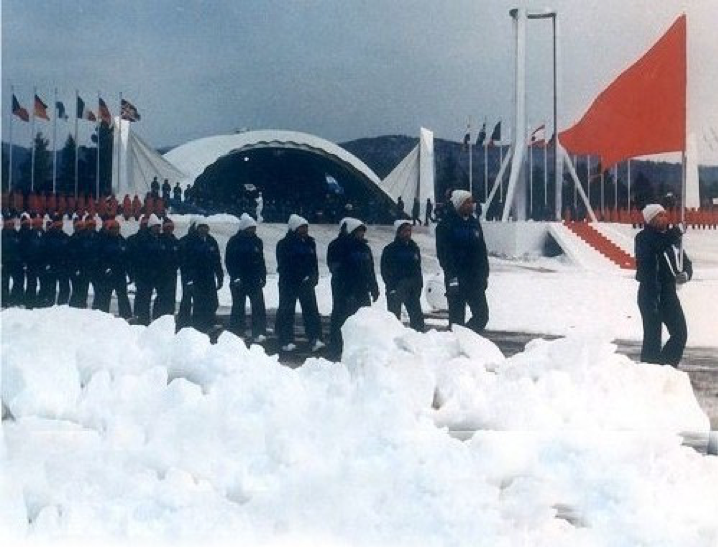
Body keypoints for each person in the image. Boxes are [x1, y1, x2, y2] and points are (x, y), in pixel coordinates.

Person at [635, 204, 692, 366]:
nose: (664, 218)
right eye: (659, 215)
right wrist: (676, 233)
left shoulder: (673, 240)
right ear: (650, 219)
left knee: (680, 333)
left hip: (668, 293)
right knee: (653, 337)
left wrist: (686, 274)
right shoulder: (643, 238)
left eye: (665, 215)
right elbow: (657, 246)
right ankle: (649, 372)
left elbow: (686, 262)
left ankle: (665, 368)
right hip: (650, 292)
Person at [436, 190, 490, 333]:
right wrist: (452, 277)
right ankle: (455, 344)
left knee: (482, 316)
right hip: (456, 278)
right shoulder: (446, 225)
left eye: (471, 201)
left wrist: (484, 274)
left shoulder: (474, 224)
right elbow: (444, 254)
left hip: (475, 278)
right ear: (458, 204)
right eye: (467, 202)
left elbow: (481, 251)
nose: (471, 205)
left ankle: (467, 338)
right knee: (456, 320)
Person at [329, 218, 379, 355]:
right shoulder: (337, 246)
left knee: (363, 318)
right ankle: (336, 347)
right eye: (359, 232)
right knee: (341, 317)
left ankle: (361, 347)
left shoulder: (365, 248)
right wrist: (346, 287)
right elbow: (335, 268)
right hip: (343, 288)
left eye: (363, 232)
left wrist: (374, 286)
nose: (362, 235)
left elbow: (370, 269)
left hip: (362, 289)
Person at [275, 214, 323, 352]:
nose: (305, 230)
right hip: (289, 283)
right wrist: (297, 276)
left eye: (306, 227)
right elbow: (283, 264)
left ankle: (315, 338)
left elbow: (314, 262)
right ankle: (286, 340)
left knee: (311, 311)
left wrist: (314, 276)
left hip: (306, 283)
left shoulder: (310, 243)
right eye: (302, 228)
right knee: (287, 311)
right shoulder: (284, 244)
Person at [225, 213, 267, 342]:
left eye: (254, 228)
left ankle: (259, 332)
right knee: (238, 307)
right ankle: (237, 332)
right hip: (239, 280)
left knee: (258, 307)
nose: (252, 230)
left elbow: (261, 260)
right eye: (250, 228)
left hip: (254, 280)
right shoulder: (234, 241)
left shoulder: (257, 241)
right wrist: (235, 276)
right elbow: (229, 261)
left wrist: (262, 276)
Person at [381, 220, 424, 331]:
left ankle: (419, 340)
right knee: (394, 319)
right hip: (396, 285)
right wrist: (391, 286)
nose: (408, 233)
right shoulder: (390, 249)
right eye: (405, 231)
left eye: (409, 230)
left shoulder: (414, 248)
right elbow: (385, 270)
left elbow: (418, 268)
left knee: (417, 318)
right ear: (398, 232)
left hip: (412, 287)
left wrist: (419, 284)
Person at [184, 220, 223, 333]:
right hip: (196, 277)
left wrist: (219, 276)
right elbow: (186, 262)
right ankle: (199, 327)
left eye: (206, 227)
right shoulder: (191, 242)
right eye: (201, 227)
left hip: (209, 276)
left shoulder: (211, 241)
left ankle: (209, 323)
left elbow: (217, 260)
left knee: (213, 302)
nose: (204, 229)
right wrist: (189, 279)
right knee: (199, 303)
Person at [94, 219, 132, 318]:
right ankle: (103, 316)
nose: (116, 230)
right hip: (107, 274)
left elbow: (127, 258)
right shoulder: (102, 241)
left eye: (117, 228)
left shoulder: (122, 241)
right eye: (113, 228)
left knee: (123, 296)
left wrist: (130, 273)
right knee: (105, 296)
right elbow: (98, 257)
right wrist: (105, 268)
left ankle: (126, 316)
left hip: (120, 274)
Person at [131, 214, 163, 324]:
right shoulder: (143, 240)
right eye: (155, 226)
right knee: (143, 296)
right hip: (144, 273)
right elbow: (140, 257)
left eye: (159, 226)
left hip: (157, 273)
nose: (158, 229)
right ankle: (141, 317)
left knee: (159, 296)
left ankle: (155, 317)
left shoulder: (160, 239)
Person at [327, 218, 353, 352]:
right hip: (340, 283)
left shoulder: (360, 246)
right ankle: (335, 342)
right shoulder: (336, 245)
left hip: (355, 284)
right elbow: (332, 264)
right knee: (339, 313)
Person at [38, 214, 70, 307]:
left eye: (61, 226)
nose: (59, 227)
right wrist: (46, 264)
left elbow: (69, 252)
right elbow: (42, 251)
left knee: (65, 288)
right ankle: (48, 306)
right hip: (51, 266)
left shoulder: (65, 237)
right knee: (50, 289)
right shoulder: (46, 237)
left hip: (62, 266)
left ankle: (62, 306)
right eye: (57, 226)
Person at [154, 217, 180, 319]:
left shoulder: (175, 241)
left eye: (170, 228)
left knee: (171, 296)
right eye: (167, 228)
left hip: (172, 273)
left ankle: (169, 315)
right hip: (160, 273)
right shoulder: (158, 240)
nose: (169, 230)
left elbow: (179, 257)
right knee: (161, 295)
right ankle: (158, 316)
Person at [1, 215, 23, 307]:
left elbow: (20, 247)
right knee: (5, 283)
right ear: (6, 224)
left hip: (16, 262)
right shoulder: (2, 234)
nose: (12, 225)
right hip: (6, 262)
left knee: (18, 281)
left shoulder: (16, 233)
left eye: (13, 224)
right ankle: (5, 301)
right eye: (10, 223)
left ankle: (14, 299)